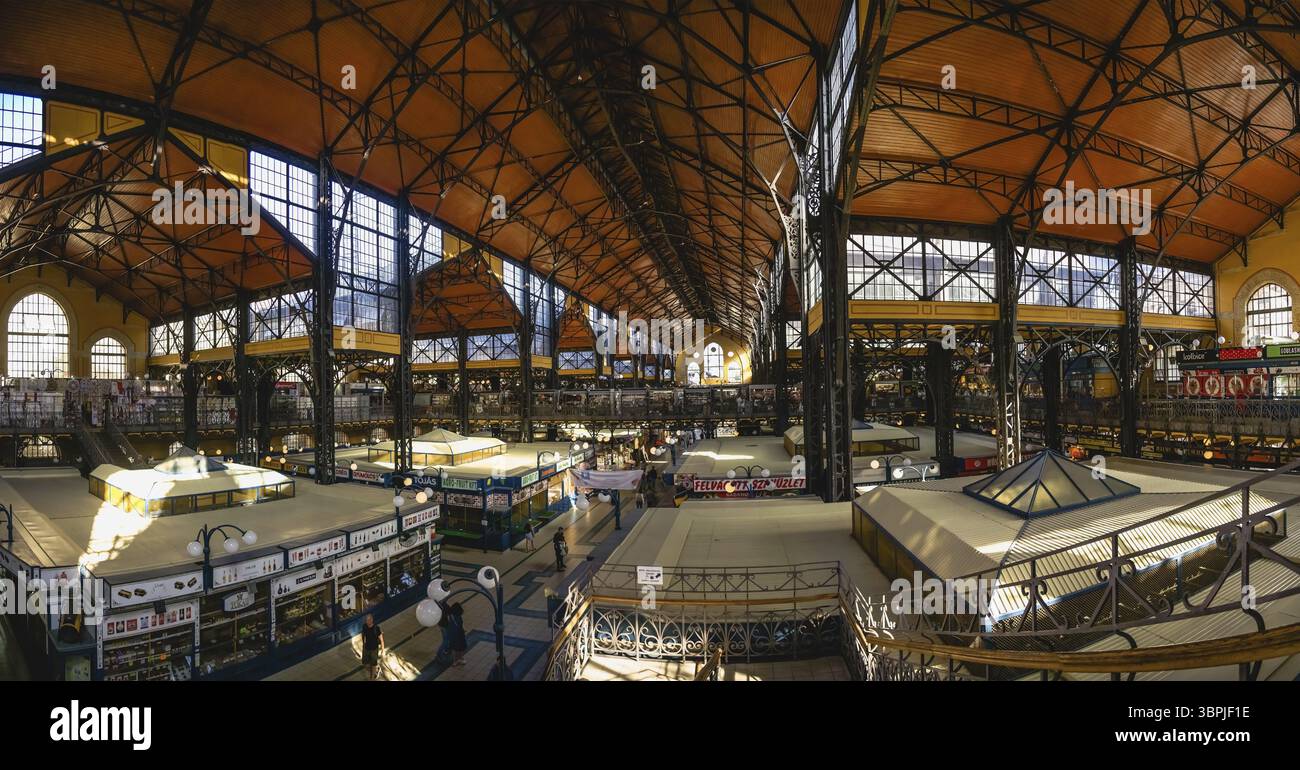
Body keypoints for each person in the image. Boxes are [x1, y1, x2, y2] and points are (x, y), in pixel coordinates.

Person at [360, 614, 384, 681]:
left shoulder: (376, 628)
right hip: (366, 648)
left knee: (373, 664)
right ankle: (377, 669)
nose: (367, 621)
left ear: (371, 620)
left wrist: (382, 650)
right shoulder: (364, 626)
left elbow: (381, 640)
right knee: (365, 664)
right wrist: (363, 644)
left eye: (368, 620)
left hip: (374, 649)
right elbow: (363, 634)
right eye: (366, 620)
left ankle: (372, 678)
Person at [448, 601, 467, 666]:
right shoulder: (458, 617)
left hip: (453, 635)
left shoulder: (451, 616)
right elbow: (459, 625)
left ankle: (455, 661)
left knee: (454, 648)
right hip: (459, 634)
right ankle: (460, 658)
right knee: (461, 647)